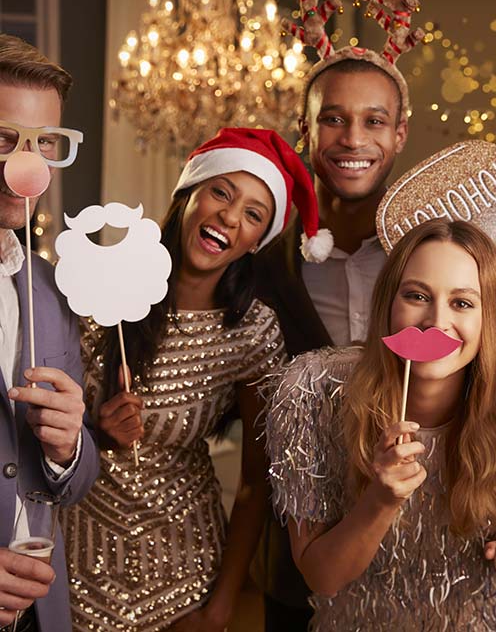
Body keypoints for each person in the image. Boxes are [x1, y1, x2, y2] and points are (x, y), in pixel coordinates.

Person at [62, 128, 325, 631]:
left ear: (256, 242)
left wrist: (223, 603)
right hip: (77, 554)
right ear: (187, 196)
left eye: (253, 214)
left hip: (185, 567)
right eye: (221, 192)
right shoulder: (100, 291)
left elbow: (254, 482)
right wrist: (98, 435)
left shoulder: (252, 331)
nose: (230, 217)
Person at [266, 219, 496, 631]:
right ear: (388, 303)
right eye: (417, 295)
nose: (435, 321)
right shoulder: (314, 393)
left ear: (488, 318)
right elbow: (322, 577)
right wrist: (381, 499)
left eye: (462, 303)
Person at [253, 46, 412, 632]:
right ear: (306, 129)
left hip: (421, 550)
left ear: (399, 134)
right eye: (333, 118)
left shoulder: (435, 259)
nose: (352, 139)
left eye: (373, 121)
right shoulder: (265, 257)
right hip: (302, 549)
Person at [0, 34, 99, 632]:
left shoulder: (53, 291)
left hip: (41, 613)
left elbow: (78, 476)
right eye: (3, 140)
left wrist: (66, 449)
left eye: (43, 144)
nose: (25, 163)